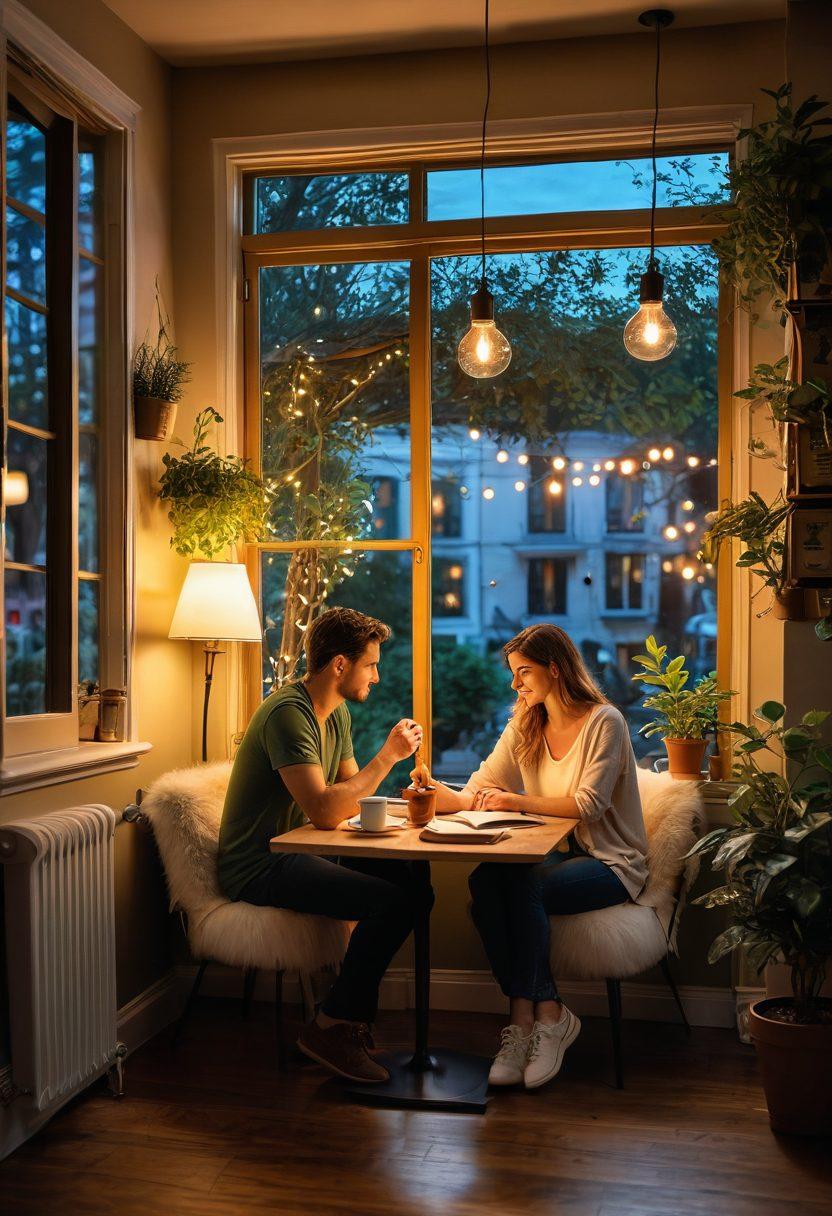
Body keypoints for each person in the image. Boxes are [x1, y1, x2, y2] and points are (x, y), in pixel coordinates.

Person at [412, 623, 648, 1091]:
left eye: (523, 673)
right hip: (555, 855)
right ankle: (539, 1015)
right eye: (513, 674)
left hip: (611, 863)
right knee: (484, 883)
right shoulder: (525, 720)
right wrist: (432, 791)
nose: (514, 684)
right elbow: (479, 790)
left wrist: (514, 800)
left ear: (555, 670)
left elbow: (588, 805)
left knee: (524, 884)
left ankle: (530, 1017)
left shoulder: (605, 721)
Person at [218, 606, 433, 1085]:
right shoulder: (287, 714)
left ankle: (344, 1018)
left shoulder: (335, 716)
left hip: (304, 852)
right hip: (261, 864)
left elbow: (348, 796)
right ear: (340, 665)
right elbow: (324, 810)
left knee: (414, 887)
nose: (376, 676)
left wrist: (403, 805)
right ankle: (332, 1026)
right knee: (391, 903)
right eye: (371, 664)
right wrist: (389, 756)